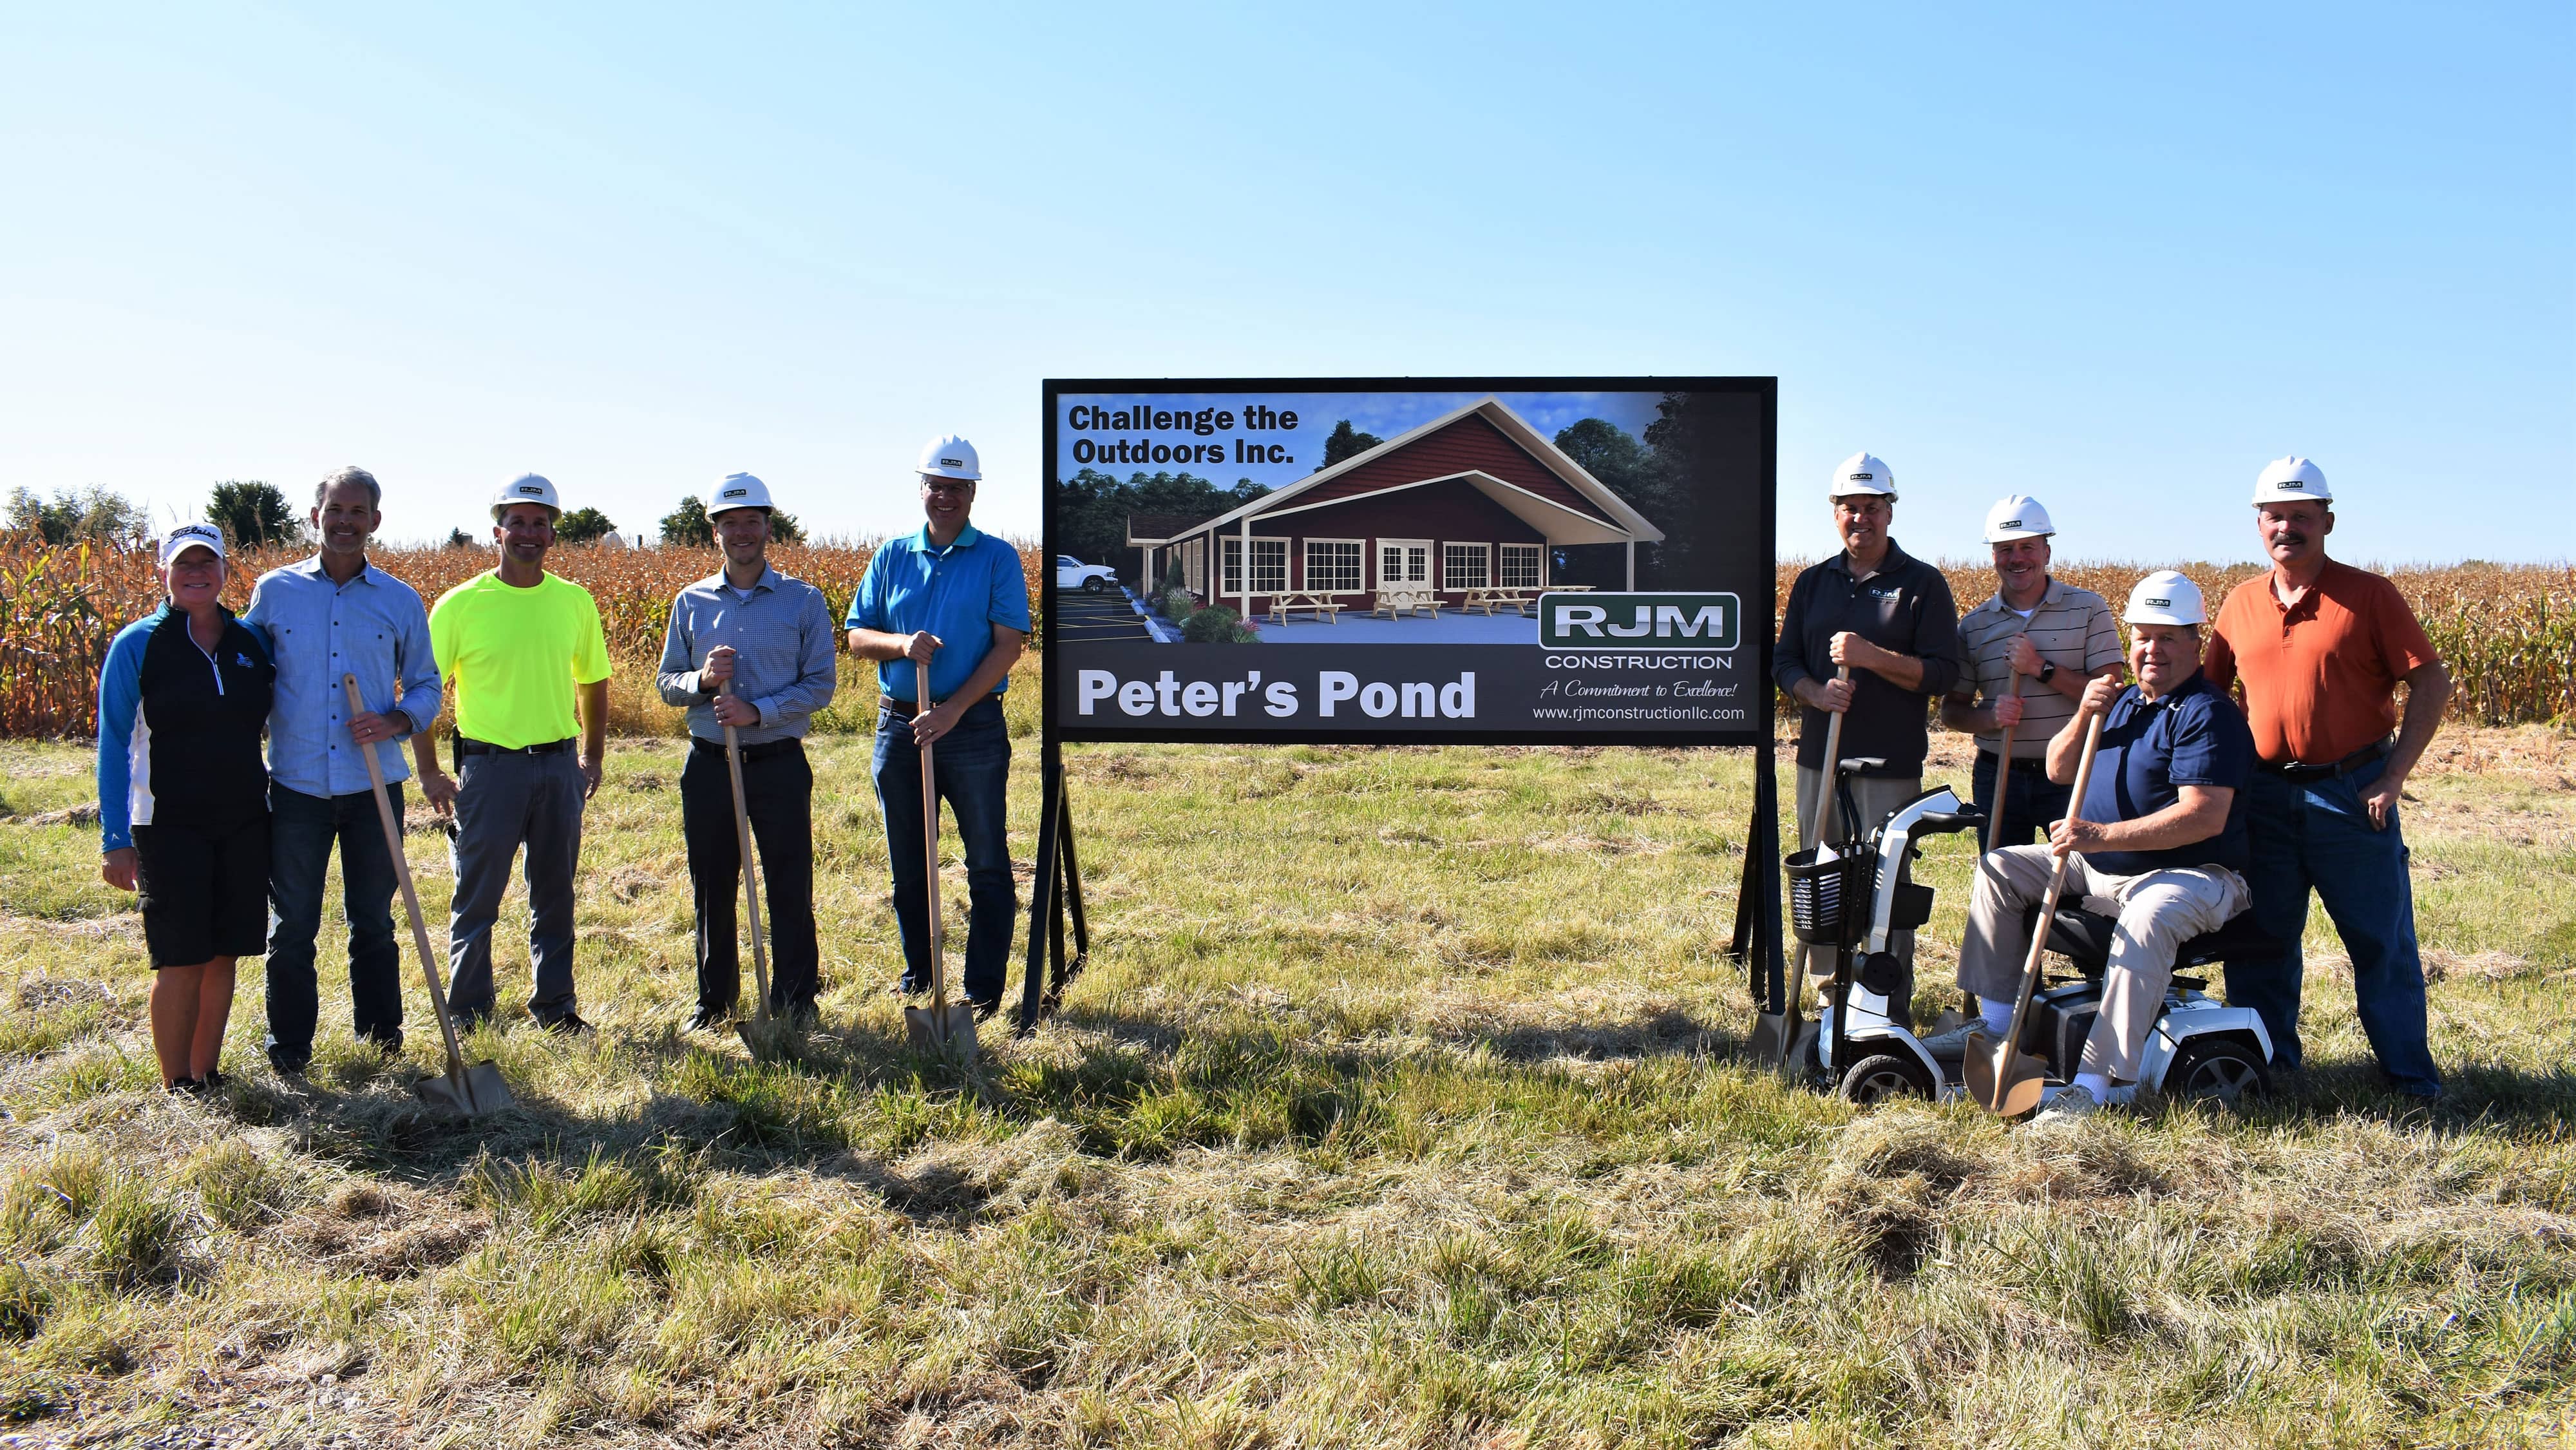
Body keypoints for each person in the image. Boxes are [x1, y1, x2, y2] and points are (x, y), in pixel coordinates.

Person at [1942, 572, 2256, 1123]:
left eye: (2167, 637)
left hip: (2194, 874)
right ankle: (1996, 1025)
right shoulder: (2124, 702)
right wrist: (2086, 711)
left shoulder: (2208, 713)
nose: (2151, 650)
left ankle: (2099, 1083)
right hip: (2100, 868)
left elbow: (2205, 816)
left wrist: (2099, 835)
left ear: (2194, 643)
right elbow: (2060, 767)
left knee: (2149, 914)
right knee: (1999, 867)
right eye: (2142, 637)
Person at [2204, 457, 2449, 1100]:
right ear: (2258, 525)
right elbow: (2207, 697)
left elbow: (2431, 681)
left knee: (2379, 939)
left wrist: (2393, 776)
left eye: (2301, 516)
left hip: (2352, 793)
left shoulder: (2369, 595)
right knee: (2261, 939)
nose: (2287, 527)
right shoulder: (2239, 603)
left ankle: (2407, 1074)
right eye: (2275, 516)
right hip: (2264, 796)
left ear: (2327, 521)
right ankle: (2270, 1066)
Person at [243, 466, 443, 1074]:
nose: (346, 521)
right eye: (336, 510)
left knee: (374, 922)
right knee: (293, 924)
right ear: (315, 516)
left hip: (373, 785)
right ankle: (290, 1049)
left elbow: (430, 686)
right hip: (296, 785)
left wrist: (397, 721)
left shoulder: (400, 600)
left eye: (359, 512)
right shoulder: (275, 592)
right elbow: (247, 671)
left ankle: (381, 1040)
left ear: (375, 521)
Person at [414, 474, 613, 1034]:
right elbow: (424, 693)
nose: (529, 533)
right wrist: (429, 770)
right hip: (489, 767)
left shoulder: (573, 602)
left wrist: (592, 757)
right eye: (518, 522)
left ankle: (556, 1007)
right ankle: (470, 1011)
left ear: (553, 532)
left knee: (555, 895)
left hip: (557, 765)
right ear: (497, 530)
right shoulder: (460, 605)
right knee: (477, 897)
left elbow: (593, 681)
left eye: (540, 523)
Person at [844, 435, 1030, 1015]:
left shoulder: (997, 557)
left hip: (971, 728)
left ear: (972, 492)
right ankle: (921, 979)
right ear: (921, 488)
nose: (944, 496)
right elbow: (855, 635)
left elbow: (1009, 645)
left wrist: (953, 710)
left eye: (956, 487)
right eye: (936, 485)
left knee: (987, 861)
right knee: (909, 865)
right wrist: (900, 643)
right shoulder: (892, 555)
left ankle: (980, 992)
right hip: (899, 728)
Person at [1772, 452, 1961, 1018]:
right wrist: (1814, 692)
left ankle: (1884, 993)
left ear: (1890, 512)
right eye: (1850, 508)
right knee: (1823, 874)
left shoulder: (1923, 584)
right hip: (1821, 760)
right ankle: (1831, 994)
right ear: (1835, 514)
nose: (1862, 519)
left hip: (1891, 764)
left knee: (1886, 880)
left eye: (1873, 508)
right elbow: (1783, 662)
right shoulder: (1812, 583)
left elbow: (1943, 674)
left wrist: (1871, 657)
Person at [656, 472, 839, 1030]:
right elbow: (666, 682)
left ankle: (794, 1002)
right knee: (712, 887)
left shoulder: (802, 601)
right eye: (730, 523)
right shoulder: (691, 603)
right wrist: (703, 681)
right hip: (710, 765)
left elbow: (820, 685)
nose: (742, 532)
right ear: (715, 531)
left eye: (751, 522)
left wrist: (756, 712)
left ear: (768, 526)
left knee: (788, 882)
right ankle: (714, 1003)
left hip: (778, 763)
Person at [96, 523, 276, 1091]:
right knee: (180, 956)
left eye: (208, 563)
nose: (196, 573)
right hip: (168, 823)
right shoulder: (139, 644)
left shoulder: (251, 642)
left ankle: (206, 1074)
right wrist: (115, 837)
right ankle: (176, 1084)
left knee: (225, 953)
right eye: (183, 564)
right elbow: (113, 745)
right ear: (163, 573)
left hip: (246, 820)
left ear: (226, 571)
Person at [1940, 494, 2125, 846]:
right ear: (1993, 556)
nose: (2017, 558)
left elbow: (2112, 695)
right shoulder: (1975, 625)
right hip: (1999, 775)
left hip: (2073, 772)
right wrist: (1989, 718)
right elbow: (1952, 711)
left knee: (2079, 881)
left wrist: (2041, 668)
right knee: (2002, 880)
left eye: (2028, 546)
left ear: (2046, 552)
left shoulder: (2088, 610)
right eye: (2006, 549)